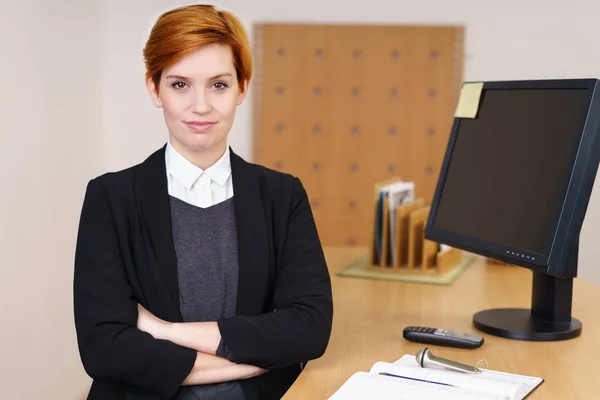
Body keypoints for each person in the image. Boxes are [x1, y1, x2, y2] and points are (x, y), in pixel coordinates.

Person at [73, 4, 333, 400]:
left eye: (218, 84)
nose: (201, 106)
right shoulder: (110, 198)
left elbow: (310, 328)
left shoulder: (282, 196)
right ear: (153, 88)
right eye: (180, 84)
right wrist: (243, 359)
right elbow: (104, 349)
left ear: (242, 87)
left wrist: (166, 332)